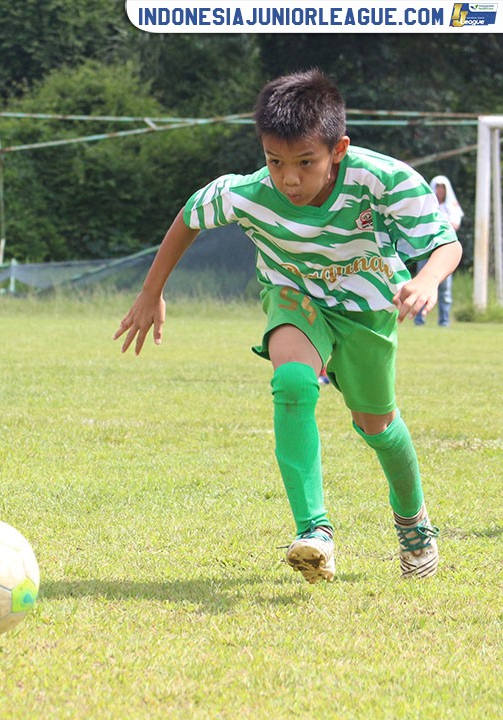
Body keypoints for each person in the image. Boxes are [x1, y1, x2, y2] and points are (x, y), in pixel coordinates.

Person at [114, 70, 461, 584]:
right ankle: (315, 534)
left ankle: (413, 524)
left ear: (338, 149)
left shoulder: (384, 180)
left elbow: (445, 243)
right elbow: (190, 214)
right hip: (294, 295)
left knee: (378, 428)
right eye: (275, 162)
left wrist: (428, 279)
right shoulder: (249, 193)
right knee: (293, 382)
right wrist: (152, 292)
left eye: (305, 163)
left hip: (368, 308)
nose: (288, 179)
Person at [415, 175, 462, 327]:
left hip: (444, 251)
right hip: (426, 250)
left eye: (442, 188)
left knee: (445, 290)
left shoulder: (451, 207)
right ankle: (419, 320)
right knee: (421, 283)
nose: (440, 191)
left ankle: (444, 321)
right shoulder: (427, 206)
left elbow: (455, 224)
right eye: (437, 188)